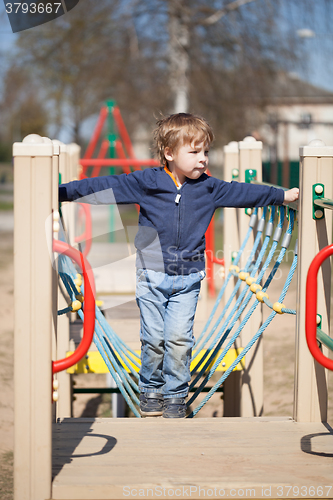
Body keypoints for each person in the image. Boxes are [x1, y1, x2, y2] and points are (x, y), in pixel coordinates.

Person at [59, 113, 299, 418]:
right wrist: (62, 193)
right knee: (153, 338)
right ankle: (151, 389)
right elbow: (105, 185)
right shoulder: (147, 182)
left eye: (206, 152)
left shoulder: (210, 188)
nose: (203, 159)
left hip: (188, 279)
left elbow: (245, 192)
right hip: (151, 276)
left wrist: (281, 195)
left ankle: (175, 395)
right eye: (194, 152)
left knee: (179, 338)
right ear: (169, 154)